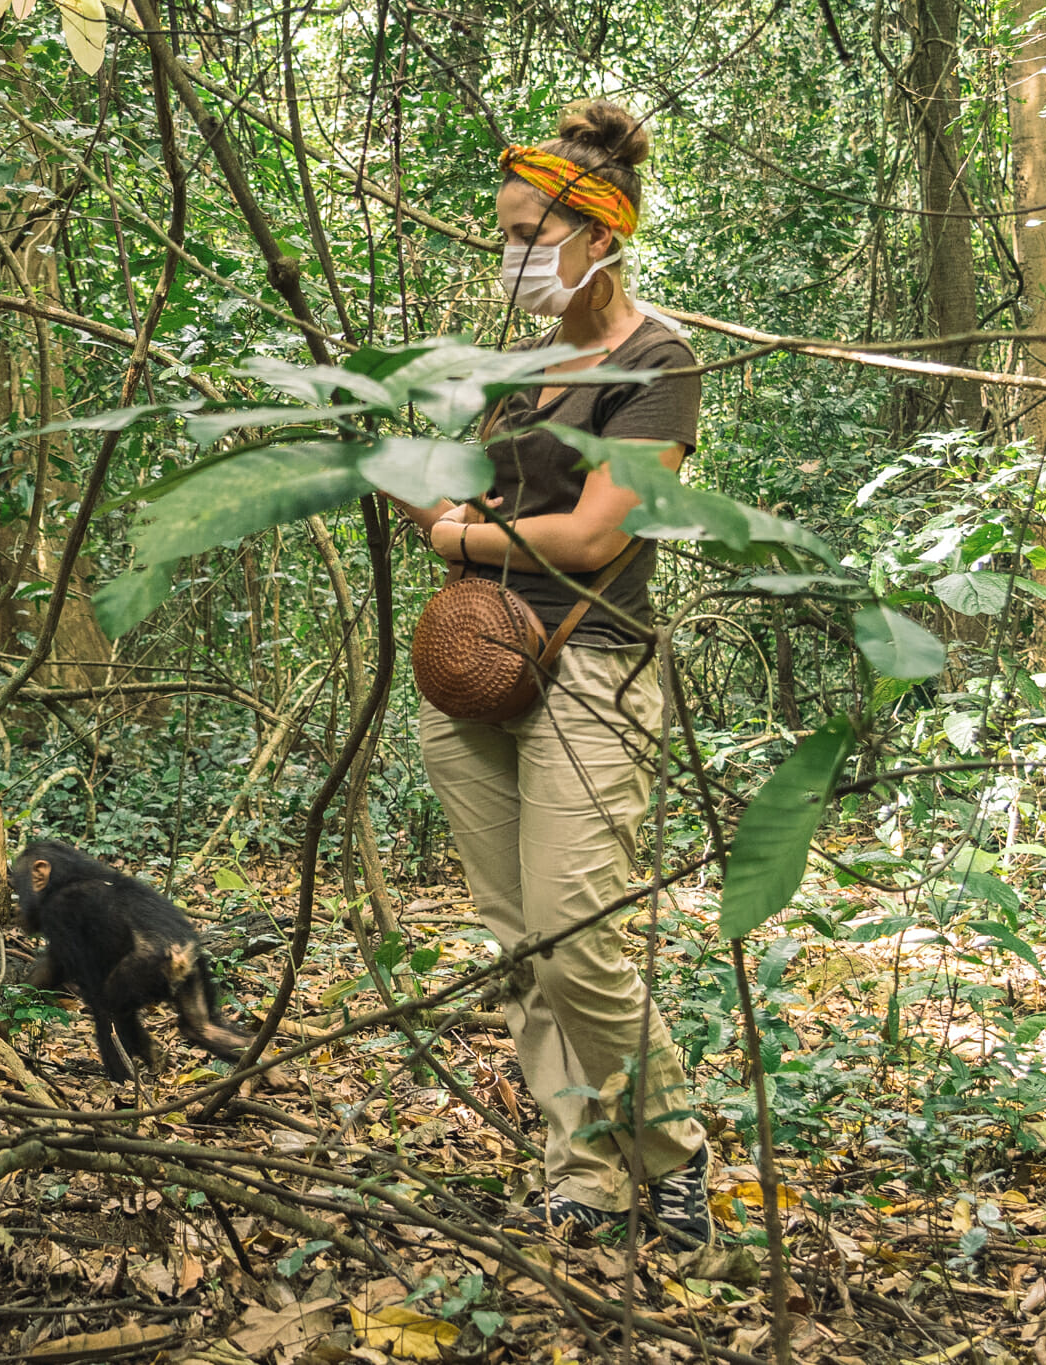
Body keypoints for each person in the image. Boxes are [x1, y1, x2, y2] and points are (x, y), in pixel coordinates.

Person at [397, 98, 712, 1246]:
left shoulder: (653, 361)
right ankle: (583, 1166)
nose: (511, 254)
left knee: (581, 938)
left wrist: (448, 530)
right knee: (521, 944)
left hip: (590, 670)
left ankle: (670, 1147)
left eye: (529, 232)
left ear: (599, 235)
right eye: (501, 233)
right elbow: (465, 485)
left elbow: (591, 538)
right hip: (471, 670)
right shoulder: (509, 363)